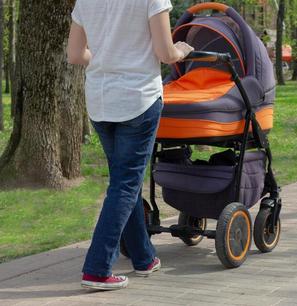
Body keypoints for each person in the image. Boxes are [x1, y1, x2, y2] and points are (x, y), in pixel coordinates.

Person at [67, 0, 194, 290]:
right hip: (138, 99)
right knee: (125, 184)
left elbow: (75, 55)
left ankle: (144, 257)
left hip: (100, 100)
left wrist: (105, 59)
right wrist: (183, 50)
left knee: (125, 181)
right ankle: (97, 269)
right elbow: (165, 53)